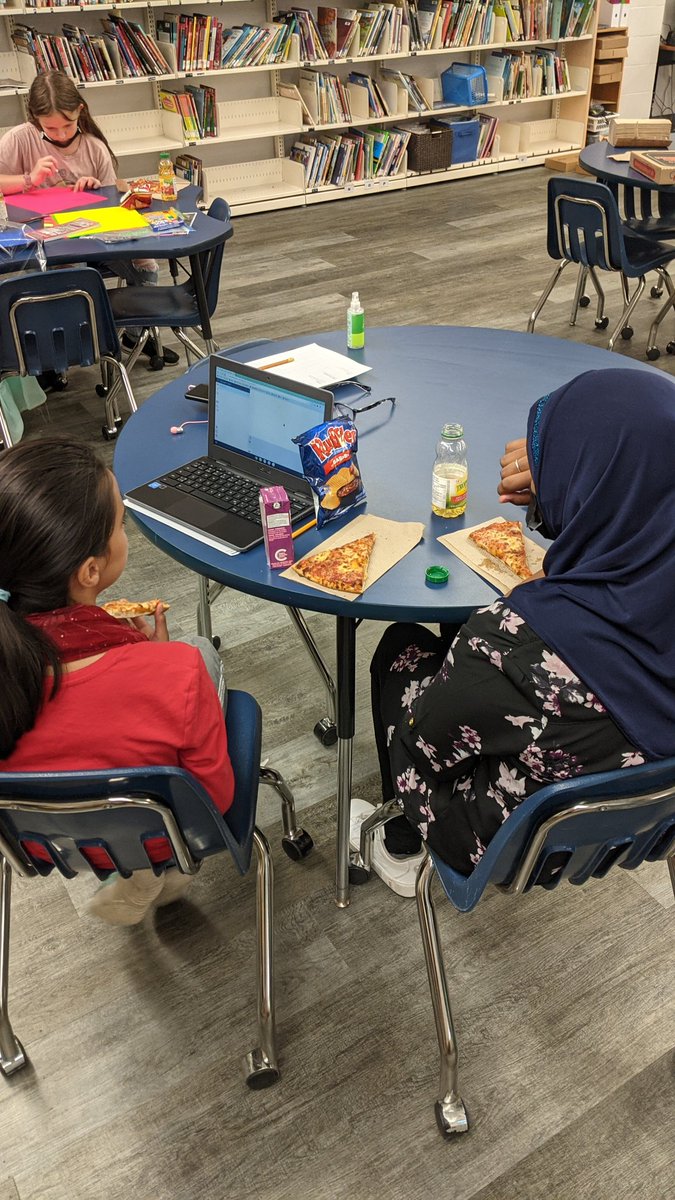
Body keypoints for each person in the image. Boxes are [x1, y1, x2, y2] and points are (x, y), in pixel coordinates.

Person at [363, 367, 675, 896]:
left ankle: (400, 842)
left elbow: (424, 742)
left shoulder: (512, 642)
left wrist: (551, 509)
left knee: (402, 648)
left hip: (519, 846)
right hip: (644, 829)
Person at [0, 436, 234, 925]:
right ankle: (152, 871)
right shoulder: (176, 672)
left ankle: (133, 876)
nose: (125, 532)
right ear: (90, 571)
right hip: (163, 837)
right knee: (200, 650)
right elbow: (214, 803)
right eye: (121, 525)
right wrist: (158, 660)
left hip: (45, 845)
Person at [0, 71, 178, 368]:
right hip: (46, 245)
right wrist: (29, 179)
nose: (60, 135)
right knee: (70, 269)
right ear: (34, 118)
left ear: (80, 111)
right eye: (50, 128)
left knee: (145, 262)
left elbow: (113, 204)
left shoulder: (94, 146)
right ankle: (58, 352)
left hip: (96, 237)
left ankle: (135, 336)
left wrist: (97, 189)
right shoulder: (19, 140)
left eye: (68, 125)